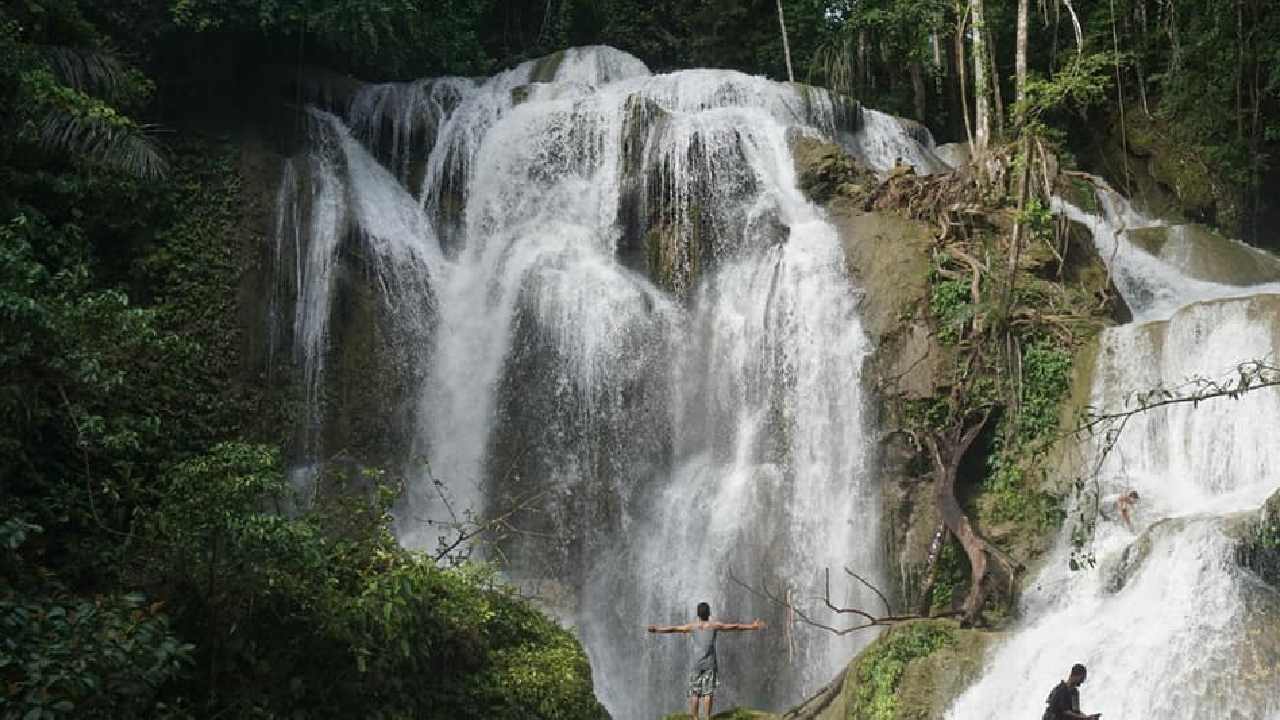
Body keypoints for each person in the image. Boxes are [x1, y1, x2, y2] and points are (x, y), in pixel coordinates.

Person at [647, 601, 766, 719]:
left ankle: (695, 718)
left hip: (696, 664)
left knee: (695, 692)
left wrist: (657, 629)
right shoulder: (714, 625)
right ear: (709, 613)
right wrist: (752, 626)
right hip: (710, 663)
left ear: (698, 614)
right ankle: (707, 717)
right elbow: (735, 626)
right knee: (708, 692)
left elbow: (673, 629)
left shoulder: (692, 626)